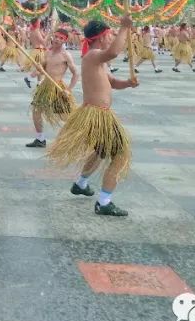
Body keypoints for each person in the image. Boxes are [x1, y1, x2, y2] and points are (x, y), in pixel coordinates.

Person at [47, 16, 138, 217]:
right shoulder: (94, 55)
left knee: (100, 151)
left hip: (100, 114)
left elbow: (112, 82)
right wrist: (124, 28)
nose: (111, 37)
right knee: (120, 156)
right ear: (102, 36)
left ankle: (81, 184)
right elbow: (114, 51)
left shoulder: (97, 59)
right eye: (110, 34)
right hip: (97, 113)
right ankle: (104, 202)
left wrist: (128, 83)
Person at [26, 28, 78, 148]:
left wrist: (68, 90)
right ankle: (40, 139)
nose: (57, 40)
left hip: (57, 88)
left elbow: (76, 74)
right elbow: (42, 70)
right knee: (36, 111)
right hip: (45, 87)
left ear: (64, 41)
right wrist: (37, 70)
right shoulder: (48, 53)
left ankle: (77, 136)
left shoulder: (66, 55)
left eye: (61, 38)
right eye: (56, 37)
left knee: (65, 116)